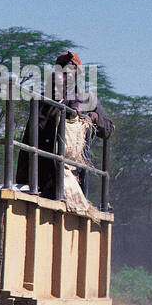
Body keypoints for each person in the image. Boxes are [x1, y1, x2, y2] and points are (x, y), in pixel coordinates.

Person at [15, 50, 114, 199]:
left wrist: (92, 117)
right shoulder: (42, 100)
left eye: (69, 70)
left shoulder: (86, 99)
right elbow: (33, 137)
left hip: (69, 176)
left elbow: (108, 129)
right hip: (40, 176)